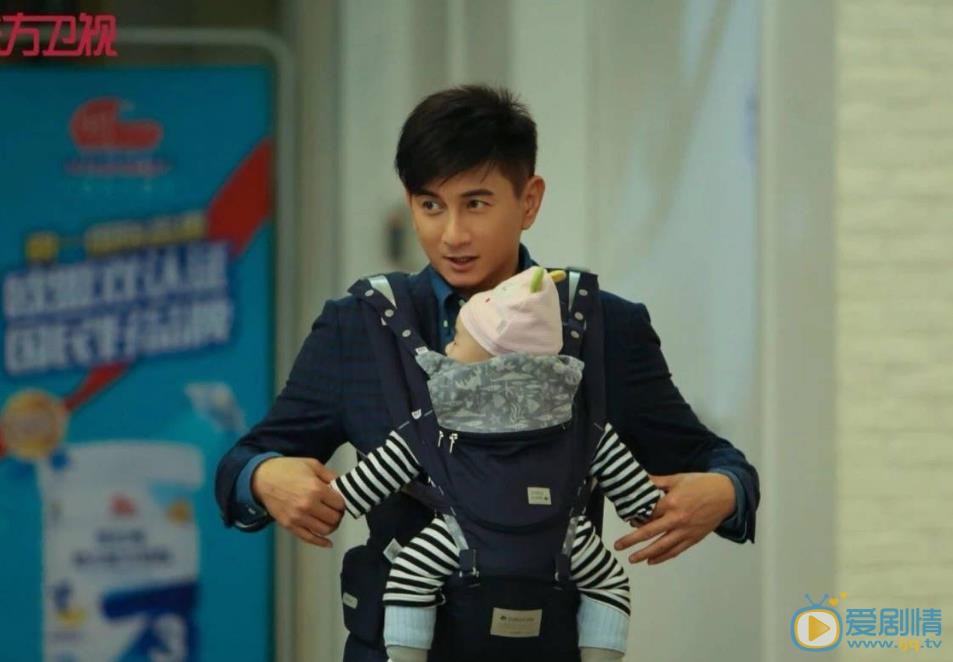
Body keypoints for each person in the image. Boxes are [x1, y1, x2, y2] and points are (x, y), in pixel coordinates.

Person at [214, 84, 760, 662]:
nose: (452, 234)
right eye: (430, 205)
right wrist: (263, 478)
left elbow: (715, 461)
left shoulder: (604, 328)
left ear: (529, 200)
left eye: (476, 204)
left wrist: (725, 492)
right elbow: (242, 463)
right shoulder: (361, 327)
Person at [328, 266, 665, 662]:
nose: (448, 350)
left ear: (494, 350)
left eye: (457, 339)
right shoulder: (575, 417)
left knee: (408, 576)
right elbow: (616, 466)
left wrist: (339, 497)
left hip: (461, 537)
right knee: (610, 583)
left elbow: (392, 462)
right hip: (563, 539)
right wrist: (646, 506)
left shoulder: (444, 409)